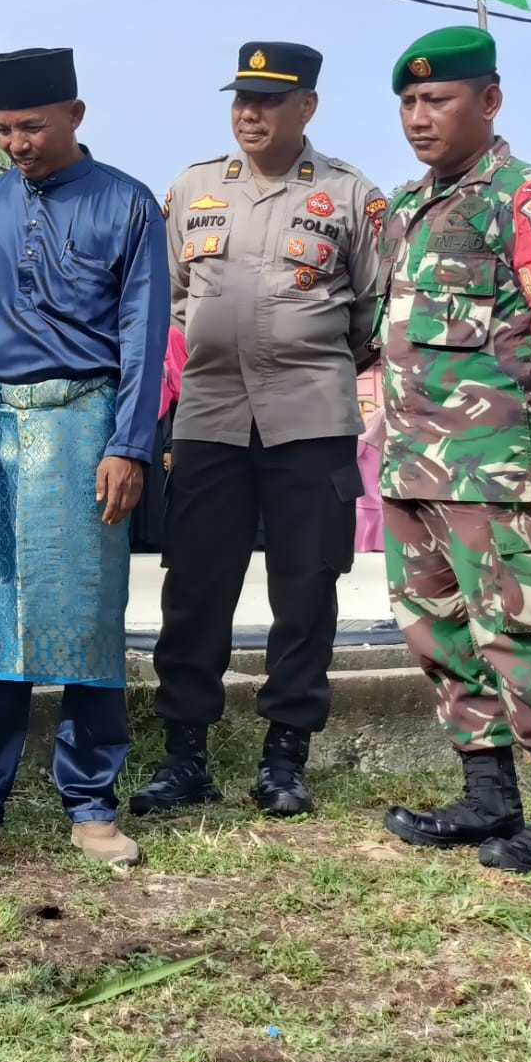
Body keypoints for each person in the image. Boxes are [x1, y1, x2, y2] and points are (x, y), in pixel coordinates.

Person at [0, 46, 168, 866]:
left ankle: (91, 801)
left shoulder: (126, 204)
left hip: (85, 426)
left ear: (76, 116)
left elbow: (144, 332)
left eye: (32, 126)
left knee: (88, 620)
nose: (17, 143)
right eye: (4, 129)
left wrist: (129, 444)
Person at [131, 43, 385, 819]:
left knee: (305, 587)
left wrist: (303, 357)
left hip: (311, 418)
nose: (250, 112)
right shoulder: (193, 188)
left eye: (270, 100)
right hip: (209, 417)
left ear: (306, 107)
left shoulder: (350, 196)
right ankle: (185, 758)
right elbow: (172, 297)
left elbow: (372, 313)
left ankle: (285, 758)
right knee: (195, 586)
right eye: (242, 97)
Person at [375, 26, 531, 882]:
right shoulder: (405, 208)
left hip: (501, 471)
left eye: (437, 99)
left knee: (523, 636)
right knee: (439, 635)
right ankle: (487, 795)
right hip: (410, 466)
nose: (419, 117)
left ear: (491, 100)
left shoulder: (528, 198)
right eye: (407, 102)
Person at [130, 325, 185, 555]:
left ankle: (155, 537)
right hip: (134, 414)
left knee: (155, 482)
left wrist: (170, 444)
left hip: (161, 418)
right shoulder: (133, 335)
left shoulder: (170, 335)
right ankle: (137, 538)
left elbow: (179, 386)